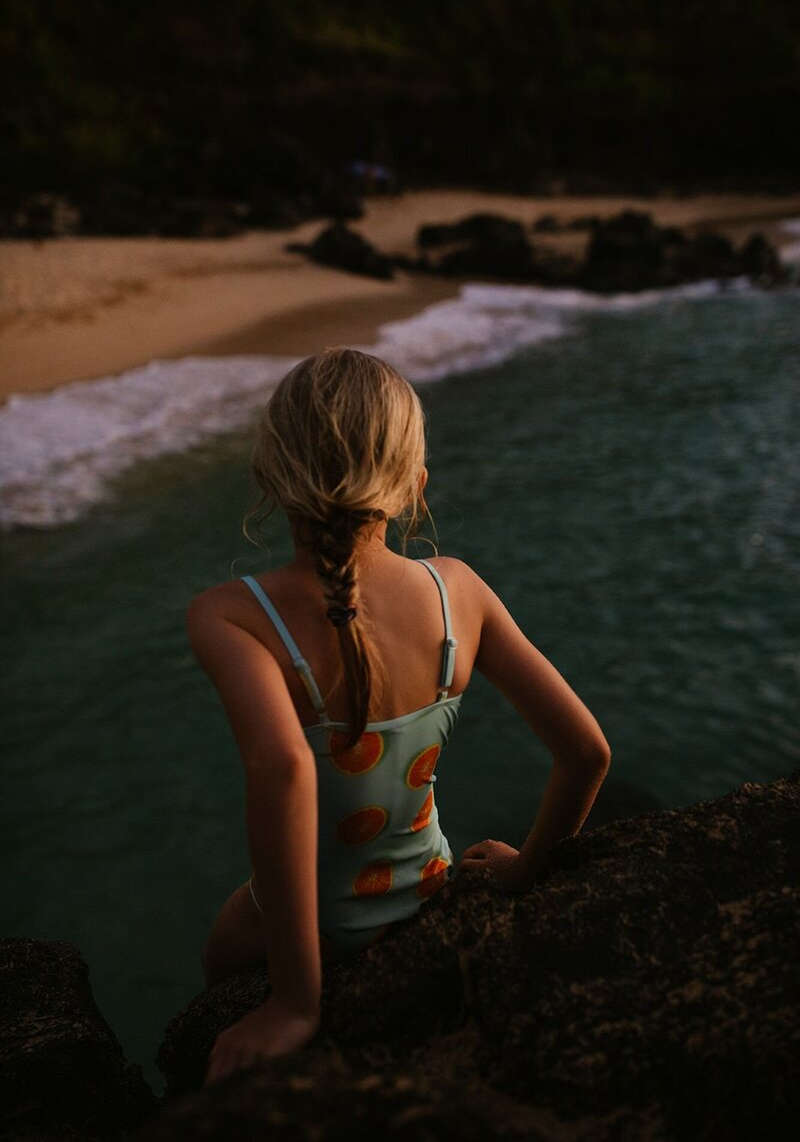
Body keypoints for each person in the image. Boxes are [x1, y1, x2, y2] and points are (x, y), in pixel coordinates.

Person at [186, 347, 610, 1086]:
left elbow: (286, 770)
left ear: (268, 474)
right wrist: (527, 868)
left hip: (301, 934)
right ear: (414, 484)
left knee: (219, 952)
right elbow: (587, 752)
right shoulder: (458, 593)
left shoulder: (231, 615)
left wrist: (294, 1000)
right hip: (432, 895)